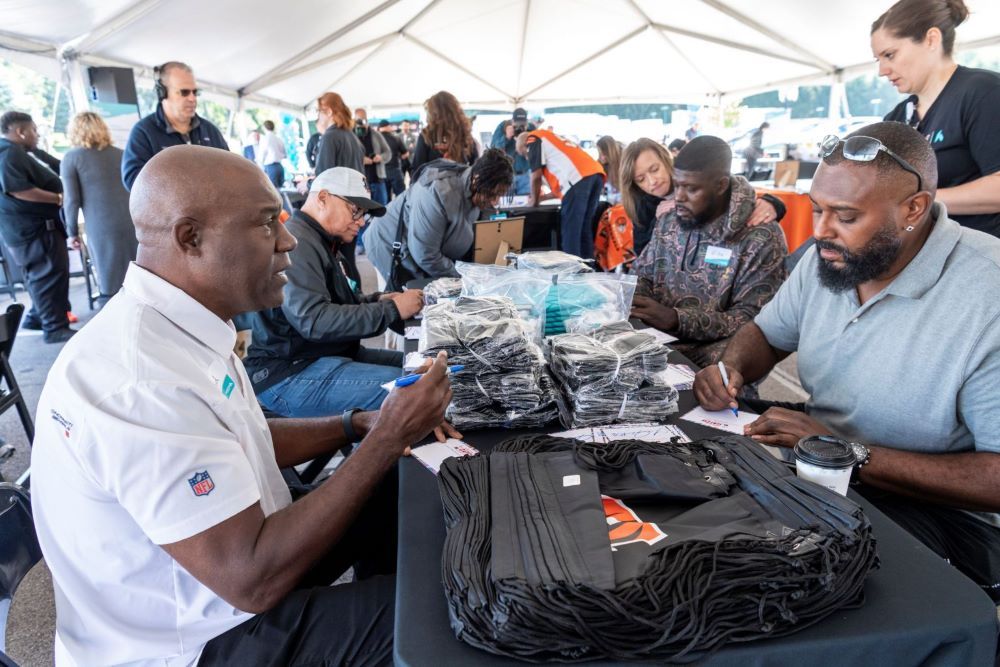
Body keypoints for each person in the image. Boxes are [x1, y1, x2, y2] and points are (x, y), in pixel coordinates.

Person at [30, 144, 454, 665]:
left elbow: (240, 436)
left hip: (232, 579)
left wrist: (358, 424)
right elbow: (248, 581)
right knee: (445, 615)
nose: (287, 240)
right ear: (191, 238)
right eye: (264, 225)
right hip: (195, 640)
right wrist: (386, 435)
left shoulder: (186, 324)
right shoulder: (141, 382)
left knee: (395, 485)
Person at [693, 121, 1000, 603]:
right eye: (817, 210)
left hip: (940, 513)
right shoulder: (829, 259)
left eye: (846, 216)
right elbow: (765, 335)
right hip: (824, 469)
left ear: (913, 210)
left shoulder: (988, 295)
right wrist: (731, 369)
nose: (820, 232)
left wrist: (846, 452)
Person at [246, 167, 424, 416]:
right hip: (290, 372)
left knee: (422, 368)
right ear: (322, 198)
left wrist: (378, 299)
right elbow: (315, 321)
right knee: (413, 390)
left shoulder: (324, 241)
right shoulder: (297, 243)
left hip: (327, 355)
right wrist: (392, 309)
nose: (361, 221)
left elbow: (337, 301)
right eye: (355, 210)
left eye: (363, 214)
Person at [630, 136, 787, 369]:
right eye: (678, 185)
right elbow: (643, 272)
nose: (679, 197)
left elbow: (754, 322)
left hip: (714, 362)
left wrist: (677, 319)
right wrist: (634, 300)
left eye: (691, 189)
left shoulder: (760, 236)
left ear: (721, 185)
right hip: (656, 345)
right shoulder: (670, 220)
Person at [873, 0, 1000, 237]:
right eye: (877, 60)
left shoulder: (983, 92)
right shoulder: (898, 116)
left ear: (931, 39)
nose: (882, 70)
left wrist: (918, 204)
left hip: (978, 252)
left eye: (889, 55)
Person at [366, 148, 513, 283]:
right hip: (388, 245)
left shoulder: (478, 188)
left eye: (499, 195)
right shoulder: (438, 193)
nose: (495, 201)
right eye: (492, 194)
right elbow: (425, 254)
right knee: (400, 301)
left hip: (421, 254)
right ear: (477, 179)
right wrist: (464, 275)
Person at [621, 138, 785, 259]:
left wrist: (773, 203)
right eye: (641, 179)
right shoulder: (642, 206)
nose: (652, 181)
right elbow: (644, 257)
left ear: (667, 159)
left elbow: (732, 187)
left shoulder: (699, 175)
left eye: (655, 169)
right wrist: (657, 226)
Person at [0, 111, 73, 343]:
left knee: (40, 276)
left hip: (28, 231)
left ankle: (38, 317)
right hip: (36, 230)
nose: (37, 134)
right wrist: (58, 199)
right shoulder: (9, 153)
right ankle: (54, 327)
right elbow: (17, 189)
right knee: (47, 275)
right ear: (20, 132)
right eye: (33, 130)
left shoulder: (20, 153)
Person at [60, 111, 137, 299]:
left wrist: (71, 233)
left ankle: (114, 325)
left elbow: (71, 200)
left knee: (109, 282)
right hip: (131, 221)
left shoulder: (72, 158)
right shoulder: (122, 154)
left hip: (102, 226)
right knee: (137, 277)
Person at [122, 61, 229, 190]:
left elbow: (229, 170)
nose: (192, 98)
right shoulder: (143, 132)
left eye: (195, 92)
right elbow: (132, 180)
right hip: (168, 210)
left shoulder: (210, 131)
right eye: (184, 92)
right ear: (163, 93)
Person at [515, 129, 605, 259]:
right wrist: (543, 197)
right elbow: (565, 189)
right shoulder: (550, 138)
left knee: (571, 234)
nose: (527, 157)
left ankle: (572, 275)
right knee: (583, 231)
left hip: (578, 178)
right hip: (594, 174)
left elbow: (536, 176)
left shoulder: (532, 138)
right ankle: (589, 273)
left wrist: (534, 201)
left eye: (524, 153)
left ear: (525, 145)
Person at [314, 92, 365, 275]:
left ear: (327, 110)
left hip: (338, 209)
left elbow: (323, 177)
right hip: (355, 207)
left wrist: (308, 185)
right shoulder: (351, 137)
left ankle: (353, 301)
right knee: (348, 261)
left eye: (318, 112)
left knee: (340, 265)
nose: (318, 116)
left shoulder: (330, 136)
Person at [410, 91, 479, 174]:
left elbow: (417, 170)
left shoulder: (427, 135)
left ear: (434, 113)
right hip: (462, 184)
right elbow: (476, 167)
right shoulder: (465, 134)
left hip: (433, 185)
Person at [490, 108, 535, 195]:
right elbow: (493, 149)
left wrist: (525, 139)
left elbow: (536, 150)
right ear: (512, 121)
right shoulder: (503, 127)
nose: (519, 128)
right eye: (517, 125)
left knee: (525, 205)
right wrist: (506, 137)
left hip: (525, 174)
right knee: (506, 204)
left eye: (522, 125)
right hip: (506, 175)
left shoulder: (531, 128)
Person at [353, 108, 392, 207]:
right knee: (362, 217)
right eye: (359, 120)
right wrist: (360, 160)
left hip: (378, 181)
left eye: (364, 120)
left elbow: (388, 153)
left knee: (382, 212)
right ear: (354, 121)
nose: (362, 123)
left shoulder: (376, 135)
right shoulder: (350, 136)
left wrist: (380, 157)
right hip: (358, 184)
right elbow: (345, 158)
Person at [378, 119, 407, 200]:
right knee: (401, 197)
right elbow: (405, 154)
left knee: (385, 199)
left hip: (381, 172)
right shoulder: (396, 138)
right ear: (388, 127)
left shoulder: (376, 139)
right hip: (395, 170)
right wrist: (399, 157)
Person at [256, 120, 287, 190]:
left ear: (264, 128)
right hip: (280, 167)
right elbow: (284, 154)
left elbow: (261, 156)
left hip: (270, 167)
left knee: (272, 192)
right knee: (281, 192)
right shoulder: (278, 139)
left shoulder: (265, 139)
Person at [596, 135, 623, 205]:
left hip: (622, 206)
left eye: (603, 154)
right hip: (609, 205)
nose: (601, 157)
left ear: (609, 152)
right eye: (599, 153)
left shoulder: (622, 164)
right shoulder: (599, 166)